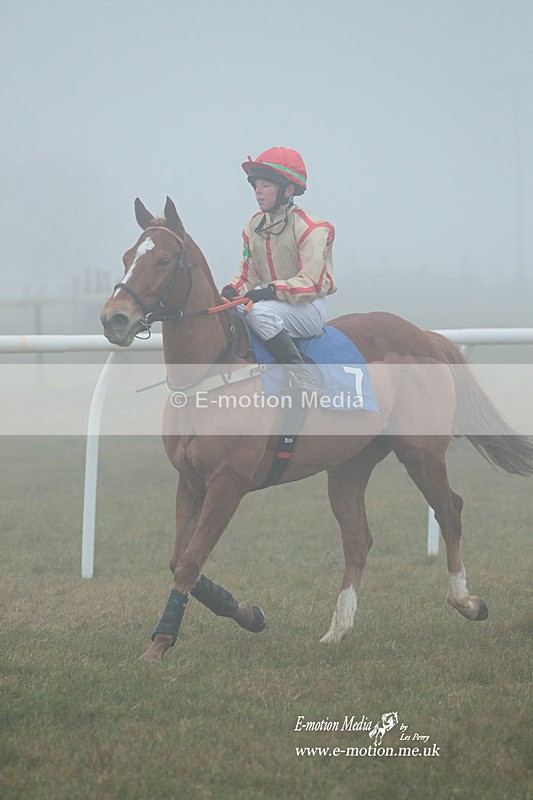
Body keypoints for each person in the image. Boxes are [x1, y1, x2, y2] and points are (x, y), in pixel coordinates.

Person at [221, 147, 336, 391]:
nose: (258, 192)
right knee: (230, 313)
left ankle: (301, 376)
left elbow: (311, 282)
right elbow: (248, 273)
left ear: (288, 190)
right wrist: (233, 290)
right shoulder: (254, 226)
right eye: (255, 186)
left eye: (266, 186)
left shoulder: (312, 228)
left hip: (307, 307)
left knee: (258, 313)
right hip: (272, 303)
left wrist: (271, 291)